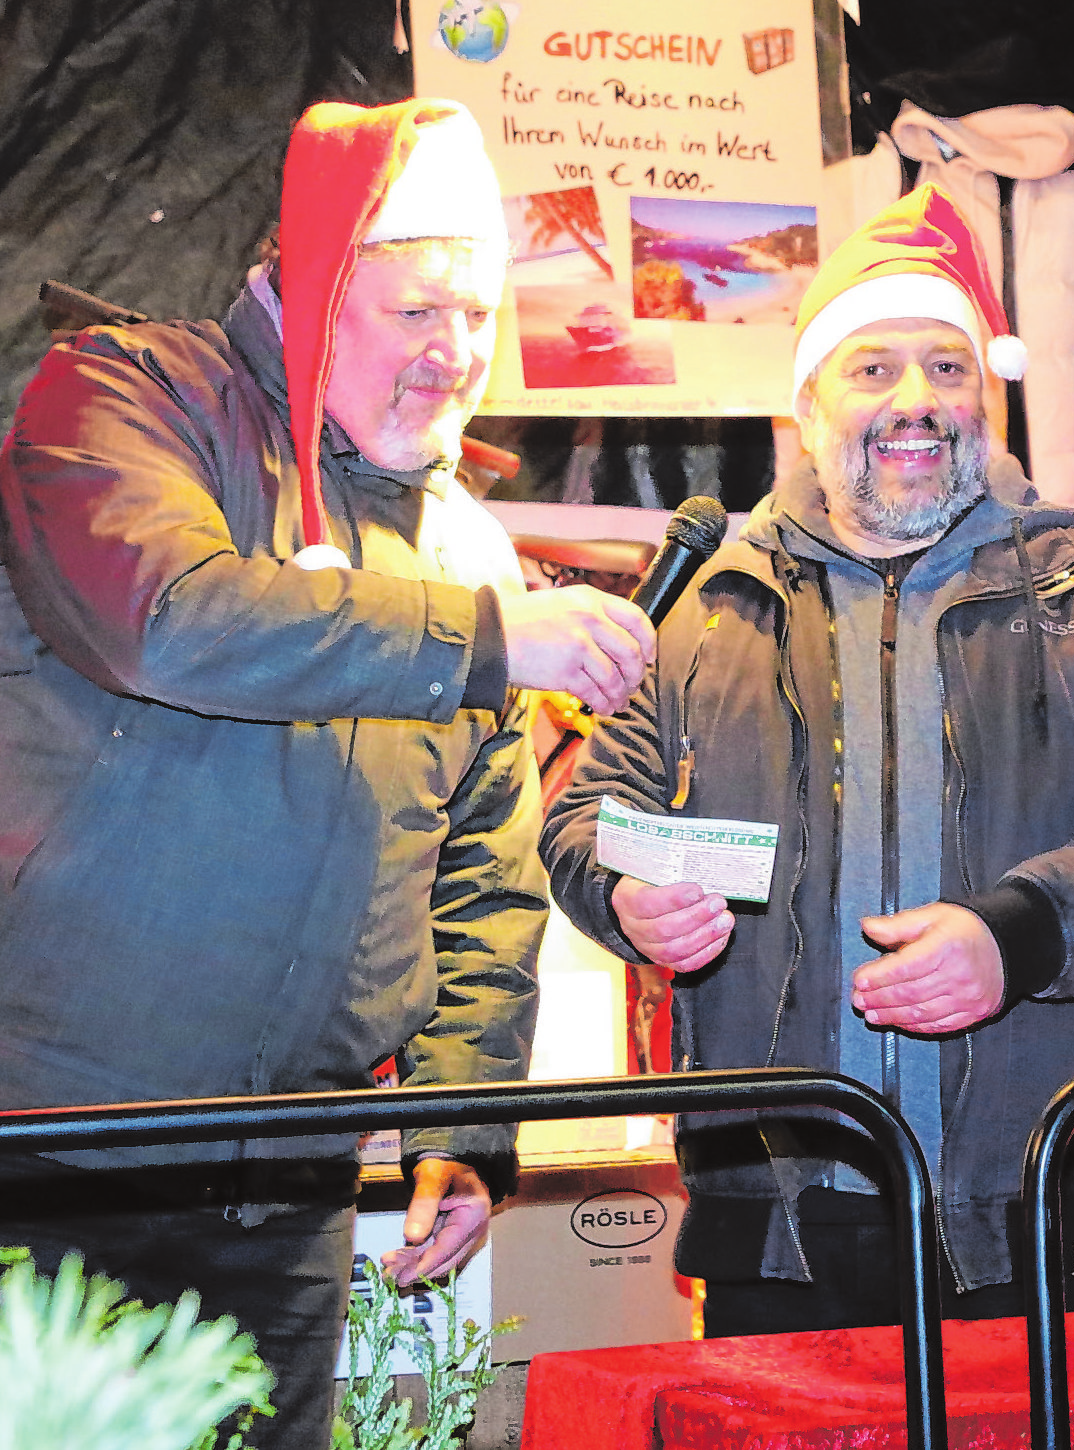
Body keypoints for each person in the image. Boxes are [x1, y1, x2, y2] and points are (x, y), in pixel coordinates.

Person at [0, 98, 652, 1448]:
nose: (456, 354)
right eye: (419, 311)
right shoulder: (126, 398)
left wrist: (463, 1124)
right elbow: (162, 614)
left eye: (479, 319)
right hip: (47, 1150)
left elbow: (486, 870)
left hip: (282, 1192)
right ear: (310, 285)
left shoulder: (461, 540)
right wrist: (489, 633)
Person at [540, 182, 1074, 1337]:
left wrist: (1015, 932)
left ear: (987, 395)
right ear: (808, 400)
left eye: (946, 366)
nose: (914, 399)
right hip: (772, 1207)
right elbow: (586, 816)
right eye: (872, 367)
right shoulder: (703, 607)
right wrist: (626, 894)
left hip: (1035, 1193)